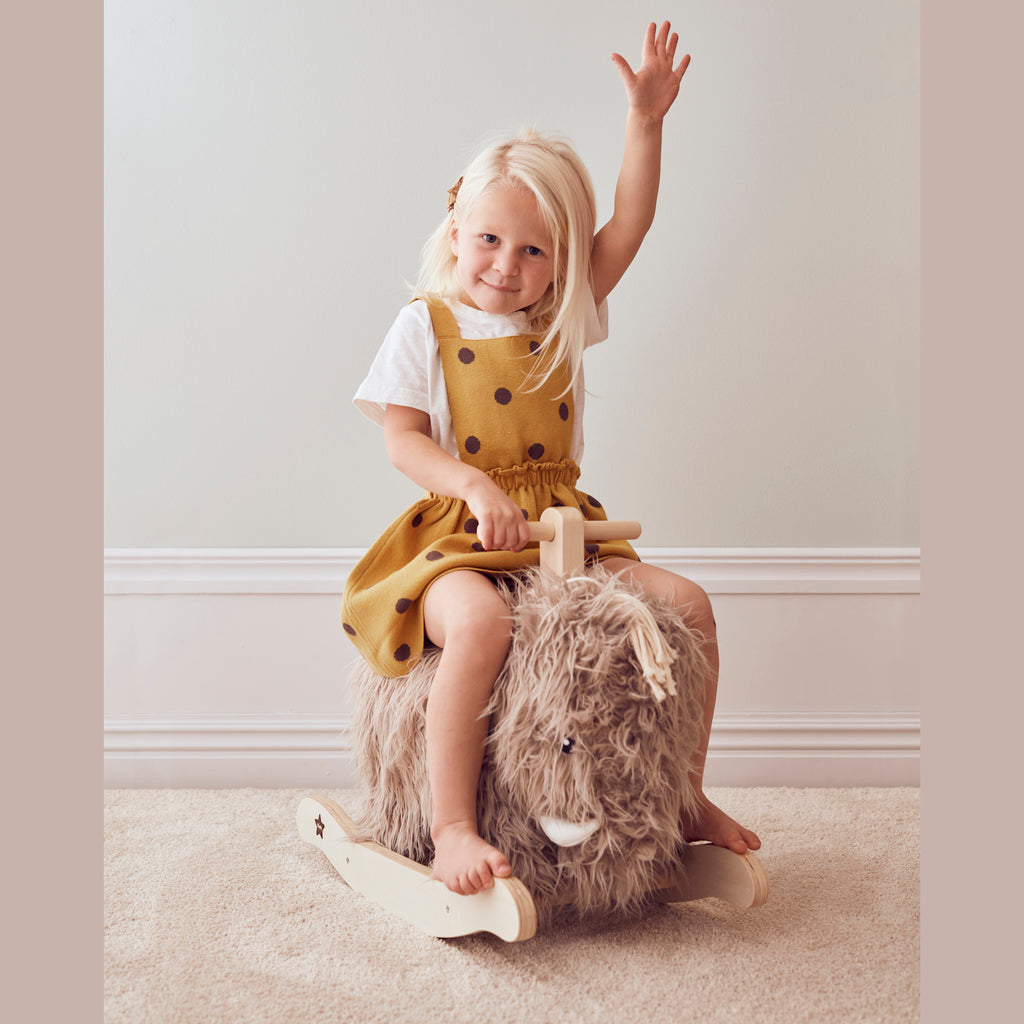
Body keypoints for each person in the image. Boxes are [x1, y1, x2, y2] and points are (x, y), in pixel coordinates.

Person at [343, 22, 761, 897]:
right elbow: (402, 437)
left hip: (562, 530)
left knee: (689, 605)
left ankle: (684, 796)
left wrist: (645, 122)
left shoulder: (560, 318)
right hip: (462, 532)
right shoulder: (426, 322)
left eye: (535, 251)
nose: (506, 265)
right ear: (456, 224)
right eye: (491, 239)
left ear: (562, 264)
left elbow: (633, 220)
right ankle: (453, 825)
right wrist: (471, 484)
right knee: (482, 626)